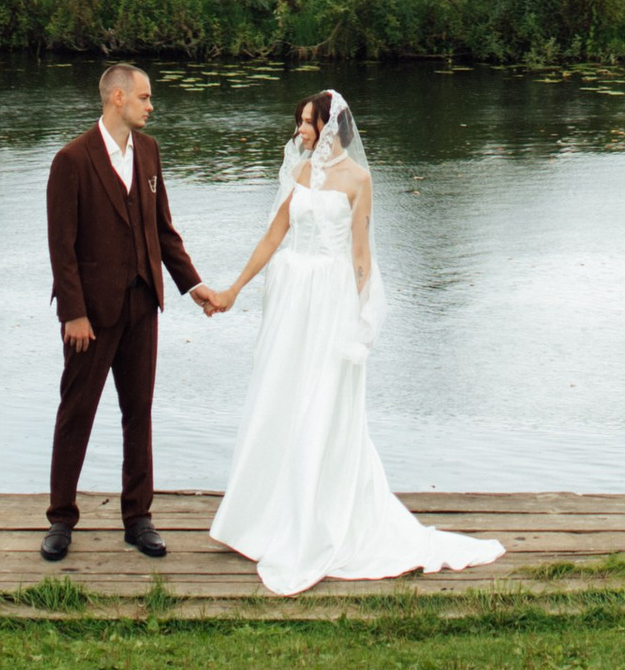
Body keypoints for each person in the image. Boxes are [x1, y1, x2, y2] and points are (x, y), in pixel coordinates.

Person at [203, 86, 503, 598]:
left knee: (323, 403)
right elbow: (273, 237)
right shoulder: (296, 173)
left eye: (307, 123)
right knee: (280, 396)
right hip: (291, 299)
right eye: (299, 122)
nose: (299, 131)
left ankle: (319, 517)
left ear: (330, 128)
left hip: (329, 301)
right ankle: (263, 516)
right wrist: (233, 289)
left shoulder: (359, 180)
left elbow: (360, 253)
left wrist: (362, 315)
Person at [41, 59, 222, 564]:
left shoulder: (149, 151)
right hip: (90, 317)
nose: (150, 105)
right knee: (76, 412)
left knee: (137, 412)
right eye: (144, 97)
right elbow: (62, 246)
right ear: (117, 97)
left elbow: (162, 230)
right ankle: (60, 518)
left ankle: (138, 518)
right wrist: (72, 313)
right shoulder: (71, 160)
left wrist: (194, 285)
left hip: (143, 303)